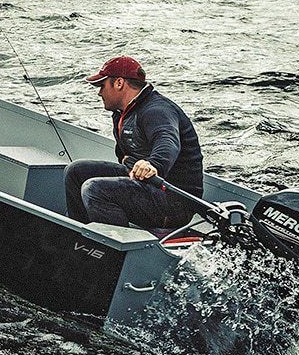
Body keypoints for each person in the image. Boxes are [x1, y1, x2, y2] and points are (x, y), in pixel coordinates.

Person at [64, 55, 203, 230]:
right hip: (144, 185)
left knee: (95, 189)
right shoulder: (121, 112)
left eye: (101, 86)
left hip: (174, 202)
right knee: (76, 171)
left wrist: (153, 164)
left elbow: (167, 140)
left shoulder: (157, 110)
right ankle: (80, 234)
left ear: (119, 83)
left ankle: (116, 247)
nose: (99, 93)